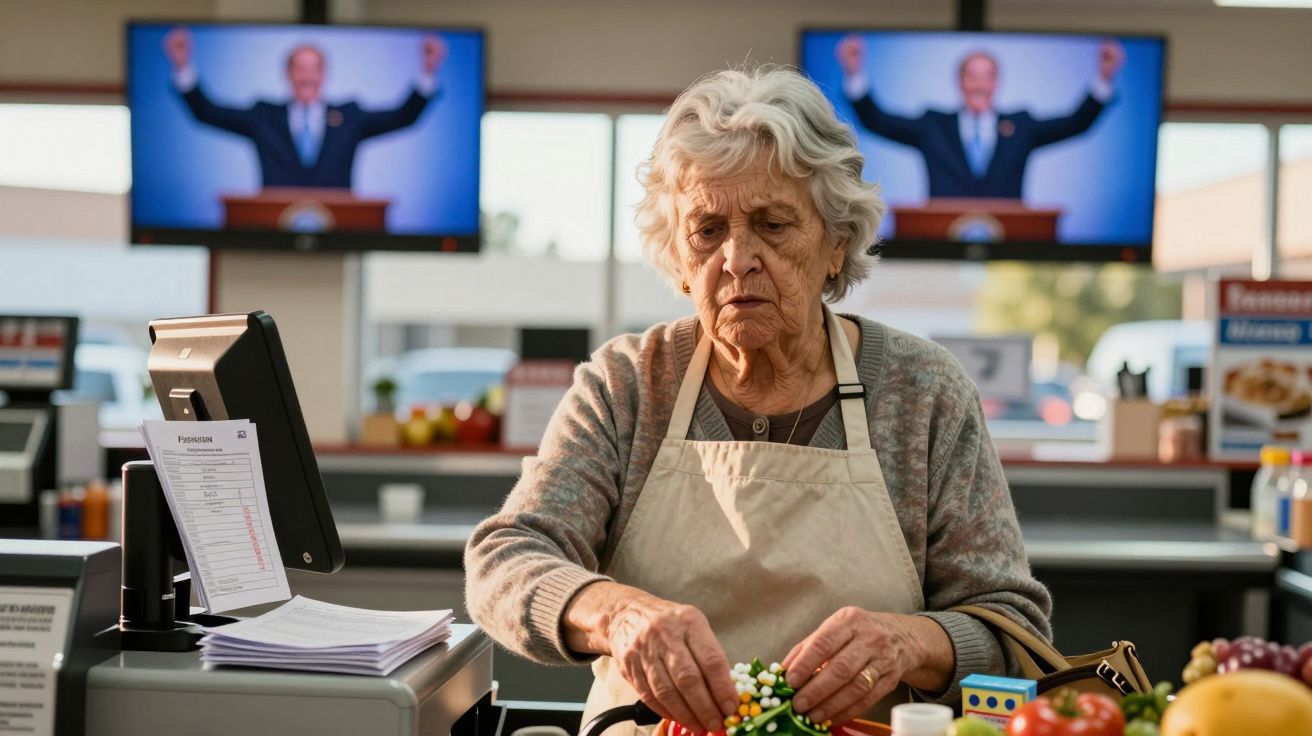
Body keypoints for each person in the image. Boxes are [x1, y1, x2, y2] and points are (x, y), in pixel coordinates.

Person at [465, 67, 1051, 732]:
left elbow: (1014, 634)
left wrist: (906, 643)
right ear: (679, 261)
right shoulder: (627, 385)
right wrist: (617, 614)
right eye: (707, 230)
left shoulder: (923, 393)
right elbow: (506, 560)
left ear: (835, 244)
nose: (738, 257)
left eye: (772, 224)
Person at [836, 36, 1125, 199]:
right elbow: (877, 120)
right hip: (941, 247)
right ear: (959, 82)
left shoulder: (1021, 126)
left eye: (987, 77)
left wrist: (1104, 78)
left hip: (1011, 248)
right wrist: (853, 72)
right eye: (971, 76)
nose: (979, 85)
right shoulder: (932, 126)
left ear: (997, 83)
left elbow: (1076, 123)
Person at [162, 26, 445, 189]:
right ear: (287, 74)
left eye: (314, 69)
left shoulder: (350, 117)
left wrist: (428, 71)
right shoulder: (263, 117)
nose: (307, 76)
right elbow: (207, 113)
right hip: (272, 231)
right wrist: (182, 65)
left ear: (324, 75)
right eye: (299, 68)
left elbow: (403, 116)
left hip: (339, 230)